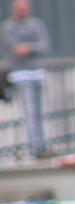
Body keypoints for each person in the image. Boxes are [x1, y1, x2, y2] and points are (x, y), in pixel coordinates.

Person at [2, 0, 49, 158]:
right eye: (20, 8)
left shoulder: (36, 24)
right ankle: (36, 148)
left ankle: (43, 145)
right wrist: (30, 47)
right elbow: (16, 49)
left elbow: (44, 45)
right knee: (30, 112)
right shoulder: (8, 27)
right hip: (20, 73)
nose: (23, 11)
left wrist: (29, 47)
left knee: (41, 112)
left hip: (37, 72)